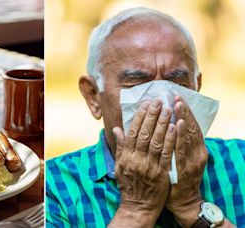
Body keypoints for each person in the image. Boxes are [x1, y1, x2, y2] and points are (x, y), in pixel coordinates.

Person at [46, 7, 245, 227]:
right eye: (136, 84)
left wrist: (191, 206)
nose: (161, 102)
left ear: (197, 86)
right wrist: (137, 209)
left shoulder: (240, 162)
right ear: (93, 96)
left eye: (177, 83)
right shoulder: (54, 187)